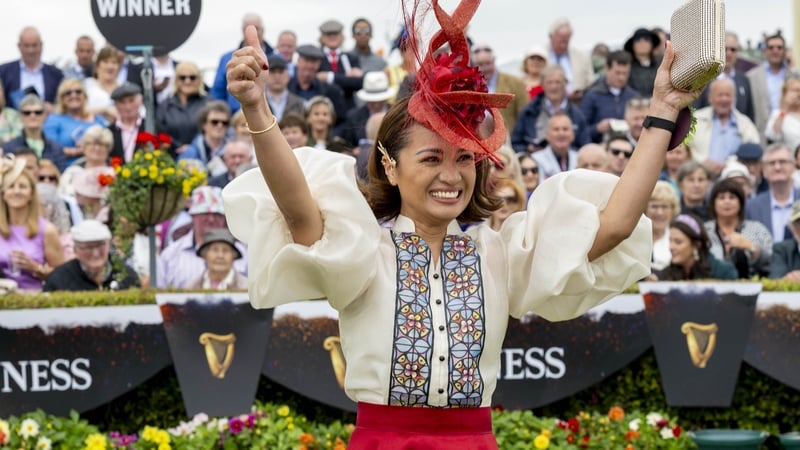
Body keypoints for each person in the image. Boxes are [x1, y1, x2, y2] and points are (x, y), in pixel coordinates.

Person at [222, 0, 704, 444]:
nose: (451, 176)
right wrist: (257, 107)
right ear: (390, 165)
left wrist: (662, 111)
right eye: (431, 158)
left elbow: (615, 225)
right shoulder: (363, 249)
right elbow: (297, 207)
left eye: (465, 158)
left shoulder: (499, 254)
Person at [0, 156, 64, 291]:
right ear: (3, 193)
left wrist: (35, 268)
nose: (16, 191)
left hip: (34, 296)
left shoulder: (47, 230)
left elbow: (63, 276)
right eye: (11, 186)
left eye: (22, 187)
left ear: (31, 194)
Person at [43, 219, 139, 291]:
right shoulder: (59, 280)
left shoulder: (127, 275)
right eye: (88, 247)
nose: (95, 253)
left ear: (109, 245)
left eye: (100, 245)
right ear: (75, 250)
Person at [704, 179, 773, 278]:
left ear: (741, 203)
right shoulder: (704, 231)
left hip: (752, 283)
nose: (727, 202)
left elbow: (772, 261)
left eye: (732, 197)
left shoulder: (757, 229)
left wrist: (751, 247)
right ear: (713, 203)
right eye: (721, 198)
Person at [654, 213, 738, 280]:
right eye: (670, 241)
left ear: (696, 245)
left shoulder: (723, 272)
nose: (671, 247)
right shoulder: (665, 275)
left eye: (678, 242)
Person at [43, 78, 107, 165]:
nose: (74, 95)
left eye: (78, 92)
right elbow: (51, 150)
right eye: (68, 93)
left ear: (85, 96)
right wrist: (79, 151)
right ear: (62, 98)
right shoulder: (54, 119)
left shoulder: (98, 119)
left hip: (98, 167)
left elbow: (107, 143)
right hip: (66, 168)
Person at [156, 61, 211, 155]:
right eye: (182, 77)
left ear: (200, 80)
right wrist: (178, 146)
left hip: (202, 155)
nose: (187, 81)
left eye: (192, 77)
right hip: (171, 155)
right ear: (176, 81)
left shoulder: (209, 104)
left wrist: (193, 148)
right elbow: (160, 130)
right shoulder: (165, 105)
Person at [3, 94, 67, 171]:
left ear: (45, 115)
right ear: (20, 116)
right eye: (27, 112)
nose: (32, 116)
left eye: (38, 112)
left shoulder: (56, 148)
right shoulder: (9, 147)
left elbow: (62, 174)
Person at [646, 181, 680, 271]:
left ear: (673, 209)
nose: (659, 212)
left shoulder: (678, 238)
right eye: (654, 206)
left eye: (664, 207)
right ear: (645, 208)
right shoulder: (634, 236)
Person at [765, 75, 800, 153]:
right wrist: (785, 109)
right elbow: (773, 136)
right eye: (795, 90)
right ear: (785, 93)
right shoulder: (777, 114)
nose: (798, 94)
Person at [769, 200, 800, 280]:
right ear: (793, 228)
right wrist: (787, 279)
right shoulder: (782, 250)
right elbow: (775, 279)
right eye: (798, 224)